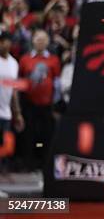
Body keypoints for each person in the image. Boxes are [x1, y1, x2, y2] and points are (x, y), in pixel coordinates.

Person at [18, 29, 60, 171]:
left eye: (43, 39)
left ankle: (45, 164)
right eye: (38, 39)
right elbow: (21, 81)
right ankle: (28, 163)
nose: (40, 42)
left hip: (47, 105)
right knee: (28, 135)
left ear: (48, 42)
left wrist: (55, 104)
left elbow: (57, 83)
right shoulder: (25, 59)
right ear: (33, 40)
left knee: (46, 135)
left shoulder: (53, 60)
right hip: (29, 104)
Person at [0, 31, 24, 166]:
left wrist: (18, 113)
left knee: (4, 147)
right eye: (2, 42)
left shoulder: (13, 63)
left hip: (5, 112)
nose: (5, 44)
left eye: (7, 42)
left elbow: (14, 90)